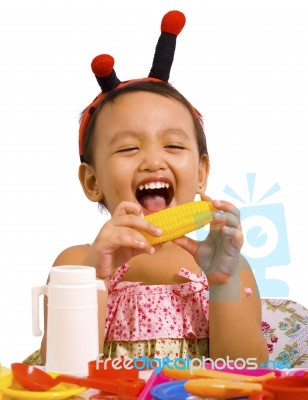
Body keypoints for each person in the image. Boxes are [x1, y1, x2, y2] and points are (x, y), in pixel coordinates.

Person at [27, 10, 269, 366]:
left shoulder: (226, 266)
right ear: (93, 182)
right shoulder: (77, 264)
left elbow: (245, 371)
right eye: (128, 148)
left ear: (201, 172)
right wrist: (96, 275)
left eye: (173, 146)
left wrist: (223, 281)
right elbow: (62, 373)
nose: (153, 161)